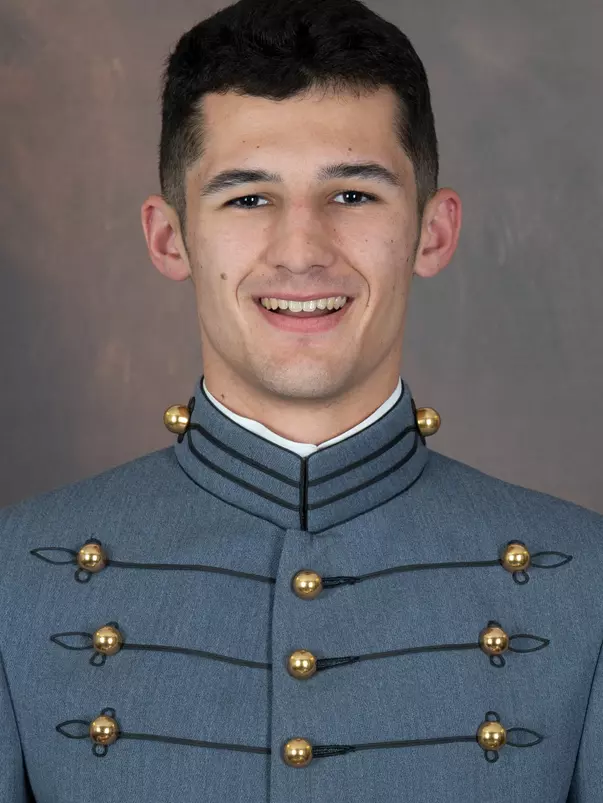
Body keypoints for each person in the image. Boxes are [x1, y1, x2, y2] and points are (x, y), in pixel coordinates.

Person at [1, 0, 601, 799]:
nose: (301, 251)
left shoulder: (583, 578)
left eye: (352, 195)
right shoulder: (18, 573)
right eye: (247, 198)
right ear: (169, 237)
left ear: (432, 230)